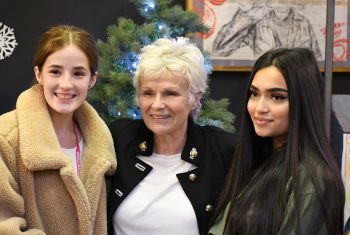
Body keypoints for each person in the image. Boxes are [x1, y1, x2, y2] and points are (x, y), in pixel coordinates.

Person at [107, 37, 237, 235]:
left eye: (170, 94)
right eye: (148, 93)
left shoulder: (223, 150)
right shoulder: (119, 138)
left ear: (195, 98)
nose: (157, 104)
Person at [209, 48, 344, 235]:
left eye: (277, 97)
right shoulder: (255, 160)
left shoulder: (312, 177)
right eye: (254, 94)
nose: (260, 108)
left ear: (303, 102)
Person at [0, 25, 117, 234]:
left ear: (92, 79)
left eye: (78, 74)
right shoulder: (6, 137)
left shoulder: (102, 142)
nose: (66, 84)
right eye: (55, 71)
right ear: (39, 74)